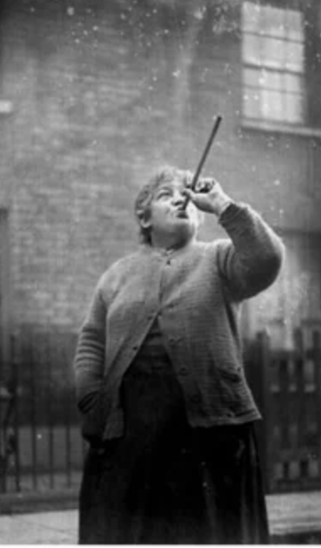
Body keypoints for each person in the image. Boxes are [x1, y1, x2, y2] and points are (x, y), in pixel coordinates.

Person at [74, 166, 284, 544]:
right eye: (166, 194)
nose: (180, 198)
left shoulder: (219, 259)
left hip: (208, 432)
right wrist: (92, 398)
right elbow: (92, 341)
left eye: (187, 194)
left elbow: (267, 259)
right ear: (143, 216)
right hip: (131, 433)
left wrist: (221, 204)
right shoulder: (117, 275)